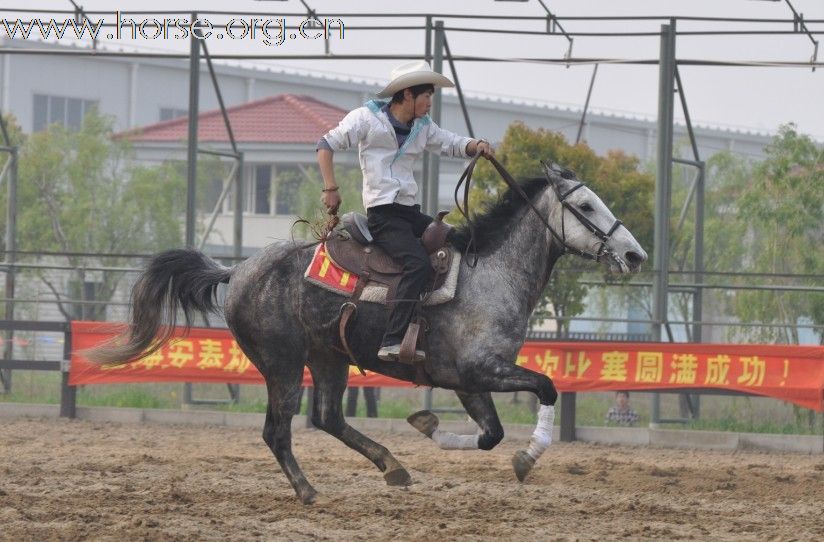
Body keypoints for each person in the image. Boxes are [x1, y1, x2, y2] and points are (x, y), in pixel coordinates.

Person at [316, 60, 493, 363]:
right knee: (417, 265)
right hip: (384, 215)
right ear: (408, 95)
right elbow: (325, 144)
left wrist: (475, 145)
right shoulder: (365, 119)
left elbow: (450, 143)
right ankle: (392, 339)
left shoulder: (423, 128)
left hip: (410, 212)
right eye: (426, 97)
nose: (429, 105)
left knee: (454, 242)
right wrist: (330, 188)